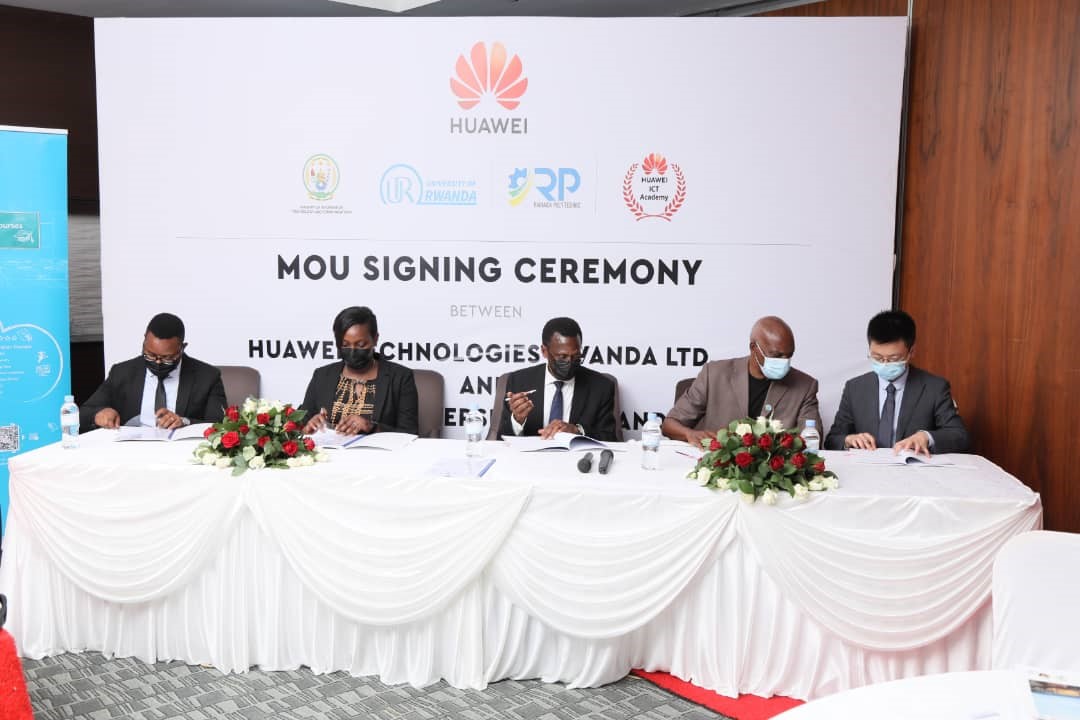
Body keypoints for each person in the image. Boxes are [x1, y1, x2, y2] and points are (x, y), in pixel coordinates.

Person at [662, 316, 822, 448]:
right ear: (754, 347)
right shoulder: (714, 374)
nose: (784, 361)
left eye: (789, 355)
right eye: (776, 355)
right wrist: (690, 434)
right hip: (718, 469)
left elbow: (812, 441)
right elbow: (670, 424)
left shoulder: (805, 386)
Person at [825, 310, 969, 455]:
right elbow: (832, 440)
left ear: (911, 351)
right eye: (877, 357)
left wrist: (926, 437)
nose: (885, 364)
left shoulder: (934, 387)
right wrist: (849, 440)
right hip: (868, 471)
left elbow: (959, 436)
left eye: (893, 358)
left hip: (914, 472)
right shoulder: (855, 388)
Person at [81, 313, 227, 431]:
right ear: (144, 341)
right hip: (131, 452)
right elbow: (84, 412)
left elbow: (219, 424)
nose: (157, 362)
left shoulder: (207, 376)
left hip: (180, 452)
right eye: (150, 354)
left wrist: (184, 422)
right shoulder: (122, 372)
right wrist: (98, 414)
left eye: (167, 358)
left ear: (182, 348)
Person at [300, 306, 419, 435]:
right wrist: (308, 427)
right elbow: (300, 424)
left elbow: (410, 433)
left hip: (379, 455)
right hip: (330, 454)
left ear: (375, 339)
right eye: (345, 345)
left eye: (361, 345)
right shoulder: (322, 376)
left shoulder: (400, 377)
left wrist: (371, 427)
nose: (352, 351)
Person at [498, 317, 617, 441]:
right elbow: (500, 440)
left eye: (576, 356)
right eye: (562, 356)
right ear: (544, 351)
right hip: (530, 458)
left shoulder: (601, 387)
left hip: (577, 458)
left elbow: (610, 438)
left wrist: (578, 431)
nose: (570, 363)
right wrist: (517, 421)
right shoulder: (519, 381)